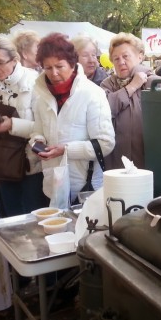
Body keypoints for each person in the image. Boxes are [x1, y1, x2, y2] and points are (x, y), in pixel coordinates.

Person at [30, 33, 115, 204]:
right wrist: (37, 144)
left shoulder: (92, 93)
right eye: (47, 67)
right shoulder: (41, 95)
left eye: (59, 66)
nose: (53, 73)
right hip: (53, 183)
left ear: (72, 63)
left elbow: (106, 144)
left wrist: (65, 149)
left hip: (84, 187)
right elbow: (37, 131)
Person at [0, 35, 48, 216]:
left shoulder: (35, 83)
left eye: (0, 62)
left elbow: (46, 128)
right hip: (3, 164)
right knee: (12, 218)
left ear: (14, 60)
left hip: (31, 167)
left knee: (35, 218)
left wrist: (12, 125)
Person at [101, 32, 157, 170]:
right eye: (116, 58)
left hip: (148, 161)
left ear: (140, 56)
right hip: (115, 164)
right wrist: (132, 87)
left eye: (125, 56)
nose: (121, 62)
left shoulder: (154, 83)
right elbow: (104, 110)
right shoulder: (107, 84)